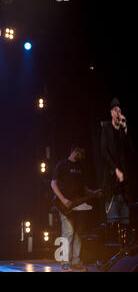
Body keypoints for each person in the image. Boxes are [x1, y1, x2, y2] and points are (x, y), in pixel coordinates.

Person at [51, 145, 102, 272]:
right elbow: (53, 183)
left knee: (78, 233)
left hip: (78, 205)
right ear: (74, 151)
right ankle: (65, 262)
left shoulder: (80, 167)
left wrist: (93, 192)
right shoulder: (62, 164)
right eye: (81, 152)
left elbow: (82, 187)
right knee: (68, 231)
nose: (82, 156)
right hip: (64, 204)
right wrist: (63, 200)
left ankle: (76, 261)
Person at [101, 98, 135, 226]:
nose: (118, 113)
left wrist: (125, 129)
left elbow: (131, 152)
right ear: (111, 113)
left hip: (124, 188)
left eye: (120, 110)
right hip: (111, 184)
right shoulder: (106, 128)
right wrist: (116, 170)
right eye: (115, 110)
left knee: (126, 224)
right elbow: (104, 152)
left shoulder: (122, 132)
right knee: (113, 224)